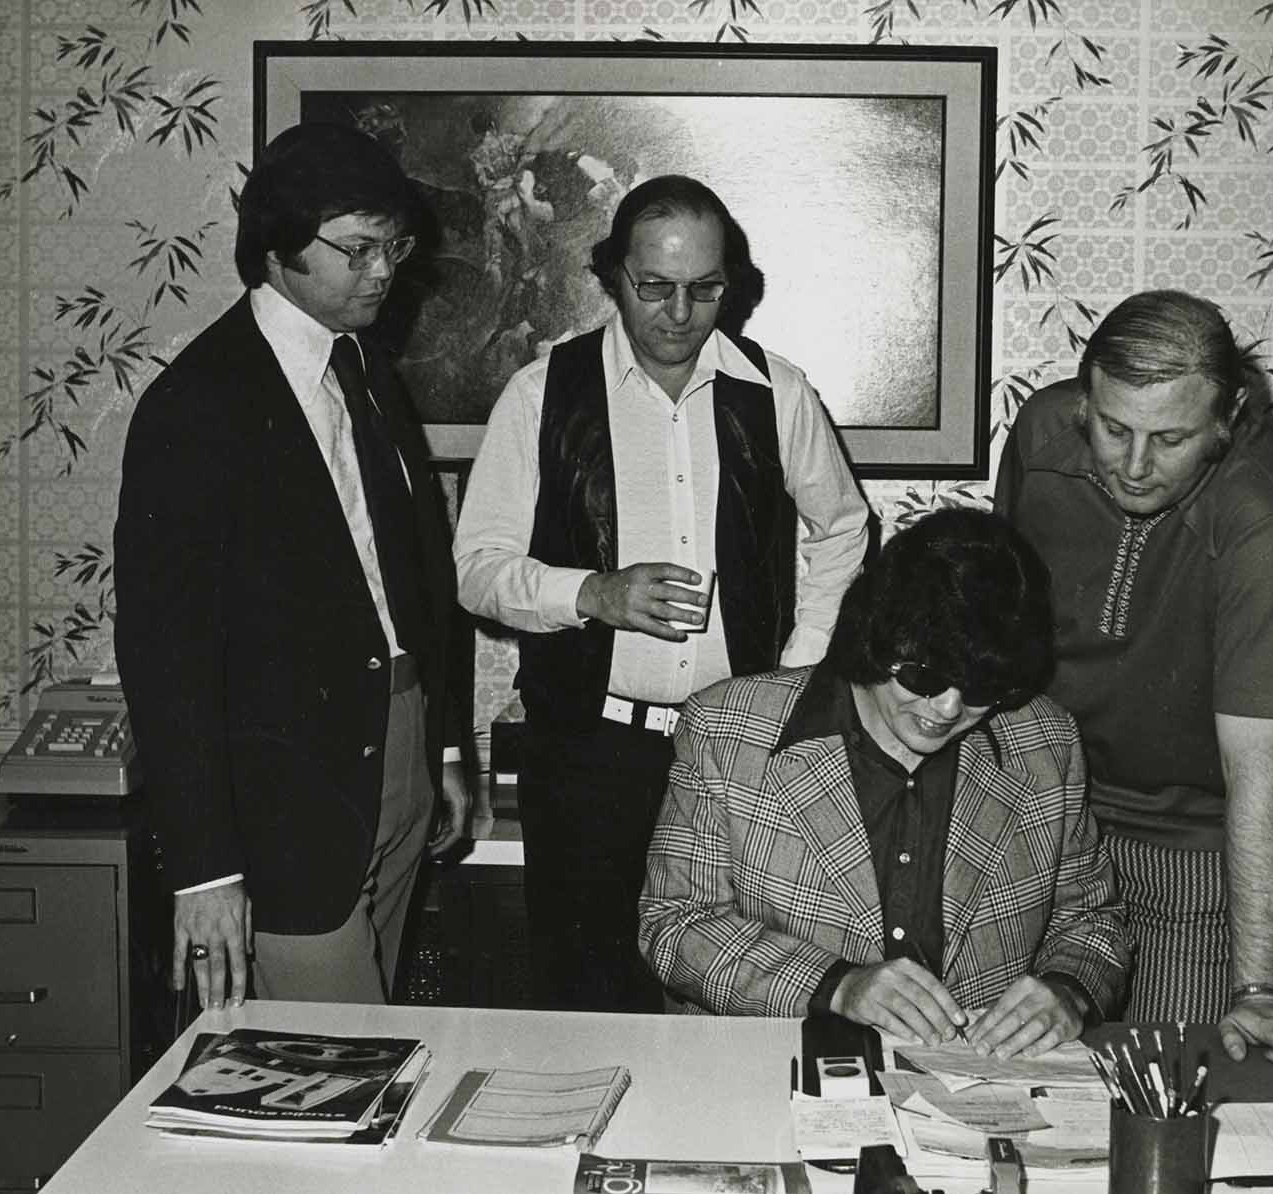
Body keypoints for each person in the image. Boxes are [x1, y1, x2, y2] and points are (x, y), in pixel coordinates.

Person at [455, 174, 869, 1012]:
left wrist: (797, 674)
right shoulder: (542, 394)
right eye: (655, 288)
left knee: (734, 996)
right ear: (613, 277)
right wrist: (592, 594)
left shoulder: (774, 391)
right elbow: (477, 566)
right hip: (588, 758)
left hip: (740, 758)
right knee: (590, 1002)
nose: (679, 314)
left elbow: (843, 528)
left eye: (704, 290)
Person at [114, 122, 466, 1011]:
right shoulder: (196, 404)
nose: (384, 270)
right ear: (274, 250)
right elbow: (166, 655)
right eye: (356, 249)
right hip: (282, 806)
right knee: (329, 1073)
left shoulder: (369, 371)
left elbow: (417, 582)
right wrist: (203, 873)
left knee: (378, 1050)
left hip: (399, 759)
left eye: (395, 246)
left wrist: (445, 747)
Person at [992, 288, 1273, 1065]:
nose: (1136, 467)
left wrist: (1259, 991)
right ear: (1083, 400)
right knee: (997, 1091)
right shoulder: (1042, 432)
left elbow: (1262, 771)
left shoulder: (1268, 518)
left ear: (1231, 417)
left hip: (1183, 858)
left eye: (1172, 438)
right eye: (1114, 429)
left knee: (1164, 1084)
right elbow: (997, 636)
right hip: (1042, 827)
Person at [638, 508, 1129, 1054]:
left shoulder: (1046, 742)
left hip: (979, 1086)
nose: (946, 709)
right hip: (770, 1065)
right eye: (923, 677)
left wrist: (1069, 991)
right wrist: (837, 986)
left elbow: (1088, 920)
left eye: (982, 688)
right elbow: (675, 925)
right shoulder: (728, 729)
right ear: (874, 637)